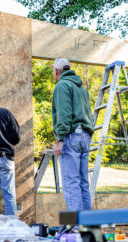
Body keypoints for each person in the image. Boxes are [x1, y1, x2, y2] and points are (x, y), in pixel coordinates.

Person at [51, 58, 94, 211]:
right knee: (83, 183)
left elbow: (64, 114)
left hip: (70, 137)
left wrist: (60, 139)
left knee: (71, 183)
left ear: (56, 71)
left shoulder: (62, 86)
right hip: (84, 136)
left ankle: (76, 226)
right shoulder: (82, 89)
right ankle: (87, 226)